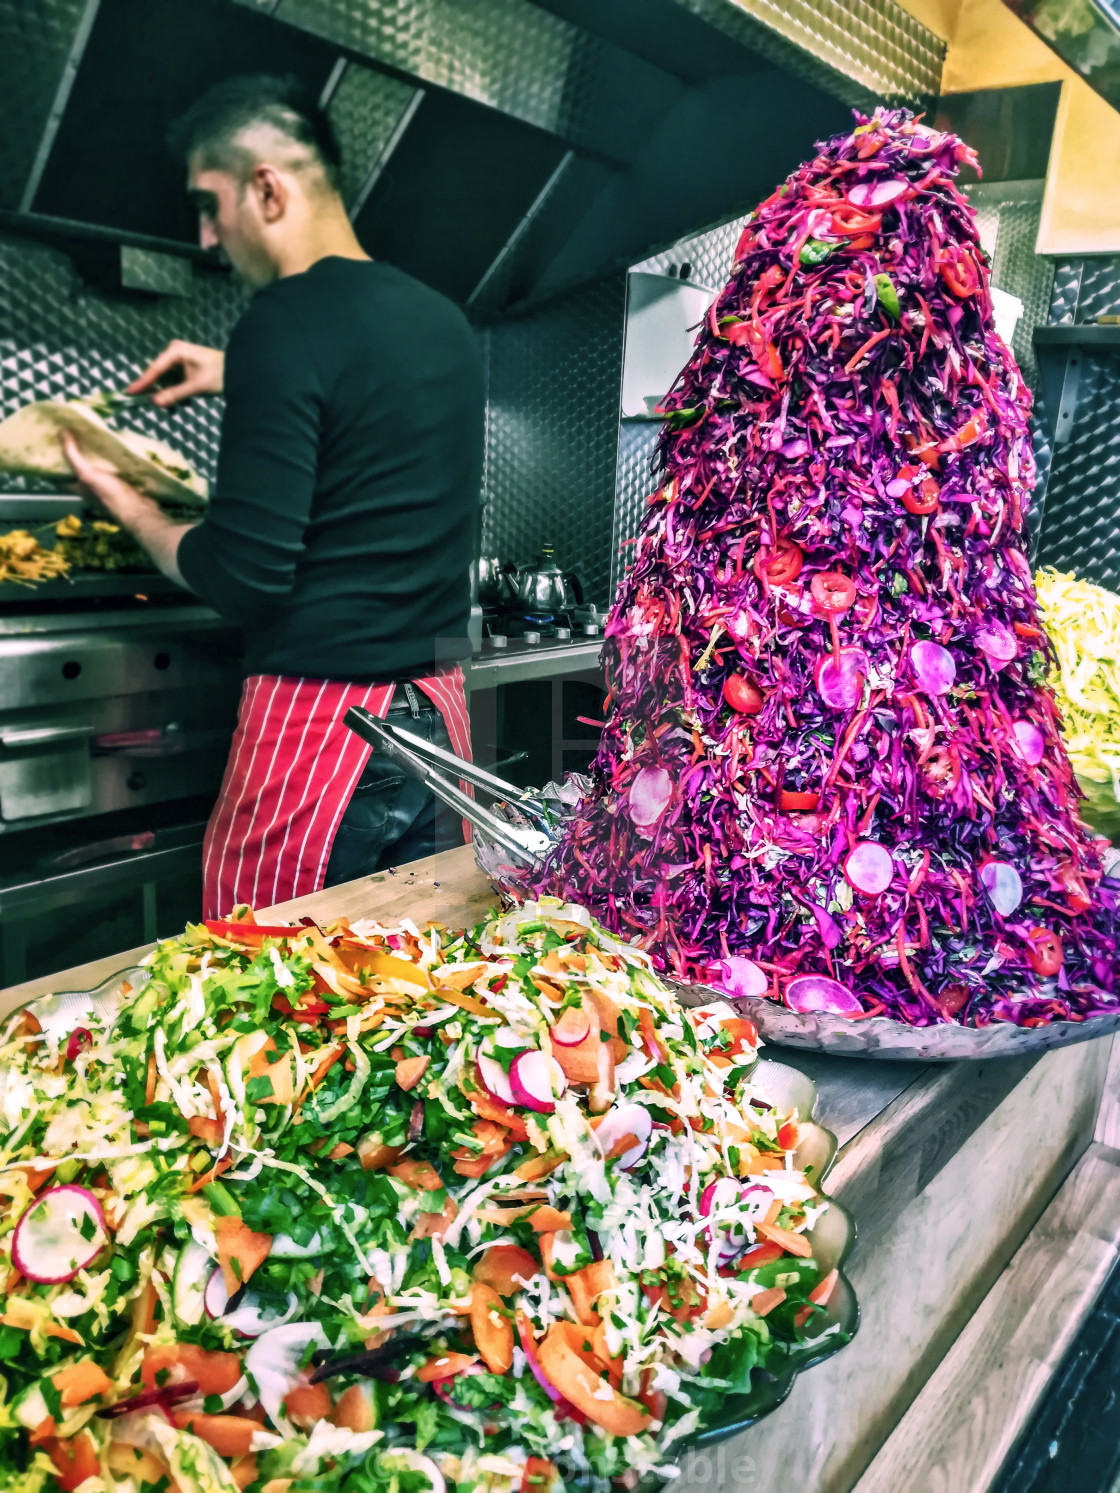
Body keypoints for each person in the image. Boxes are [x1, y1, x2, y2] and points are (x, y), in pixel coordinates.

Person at [63, 74, 484, 917]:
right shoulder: (444, 322)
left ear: (266, 186)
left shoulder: (283, 321)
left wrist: (126, 502)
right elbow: (365, 398)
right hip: (438, 718)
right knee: (418, 974)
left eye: (210, 204)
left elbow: (242, 572)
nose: (209, 236)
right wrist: (236, 373)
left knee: (276, 985)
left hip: (325, 732)